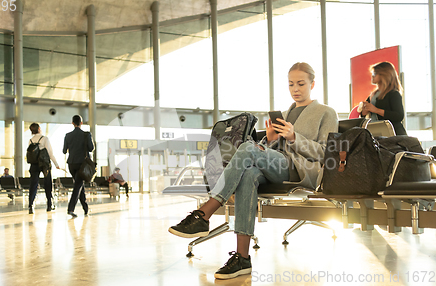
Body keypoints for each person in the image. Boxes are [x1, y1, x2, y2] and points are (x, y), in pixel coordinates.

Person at [168, 62, 338, 279]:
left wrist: (295, 137)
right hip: (277, 165)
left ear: (313, 84)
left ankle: (205, 212)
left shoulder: (326, 112)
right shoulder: (286, 113)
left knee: (248, 147)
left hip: (300, 170)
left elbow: (326, 153)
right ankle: (242, 258)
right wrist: (271, 139)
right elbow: (272, 151)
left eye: (301, 84)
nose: (295, 89)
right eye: (291, 84)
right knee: (248, 174)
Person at [359, 61, 407, 135]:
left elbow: (399, 115)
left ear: (384, 75)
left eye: (375, 73)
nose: (372, 76)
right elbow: (363, 115)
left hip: (393, 134)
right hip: (377, 132)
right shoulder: (373, 95)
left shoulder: (393, 94)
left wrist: (376, 110)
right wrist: (364, 112)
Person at [63, 115, 94, 218]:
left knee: (79, 184)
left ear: (73, 123)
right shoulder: (86, 134)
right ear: (81, 123)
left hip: (71, 164)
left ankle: (86, 208)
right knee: (78, 186)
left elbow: (64, 151)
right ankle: (71, 208)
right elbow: (91, 148)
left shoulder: (67, 135)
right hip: (82, 164)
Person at [28, 123, 60, 214]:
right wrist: (56, 164)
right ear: (39, 128)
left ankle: (31, 205)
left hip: (34, 164)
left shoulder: (30, 140)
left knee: (33, 184)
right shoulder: (44, 139)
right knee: (48, 183)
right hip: (44, 164)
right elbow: (50, 153)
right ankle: (50, 205)